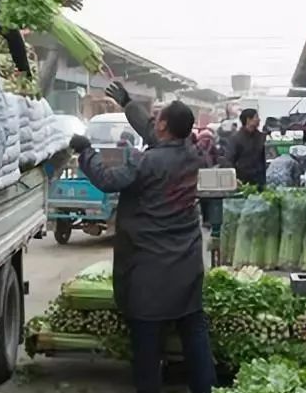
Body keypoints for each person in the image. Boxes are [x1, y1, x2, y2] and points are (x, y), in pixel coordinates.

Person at [70, 82, 215, 393]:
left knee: (147, 346)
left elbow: (108, 180)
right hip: (187, 264)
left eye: (158, 117)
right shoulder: (192, 154)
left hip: (149, 268)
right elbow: (155, 134)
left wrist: (86, 151)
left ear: (163, 125)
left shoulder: (145, 162)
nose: (155, 120)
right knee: (194, 332)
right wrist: (127, 103)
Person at [220, 109, 266, 189]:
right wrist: (233, 178)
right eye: (256, 117)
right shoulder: (236, 139)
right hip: (242, 181)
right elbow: (228, 160)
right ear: (248, 120)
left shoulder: (262, 137)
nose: (259, 119)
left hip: (259, 181)